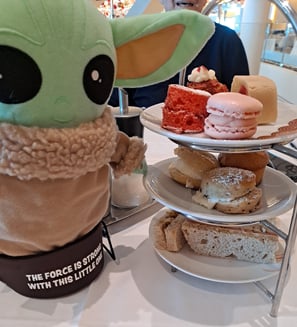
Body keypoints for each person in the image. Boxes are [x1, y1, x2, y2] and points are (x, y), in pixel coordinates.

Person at [109, 0, 249, 108]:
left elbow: (242, 105)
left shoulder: (227, 41)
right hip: (147, 137)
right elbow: (116, 102)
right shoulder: (139, 38)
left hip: (209, 140)